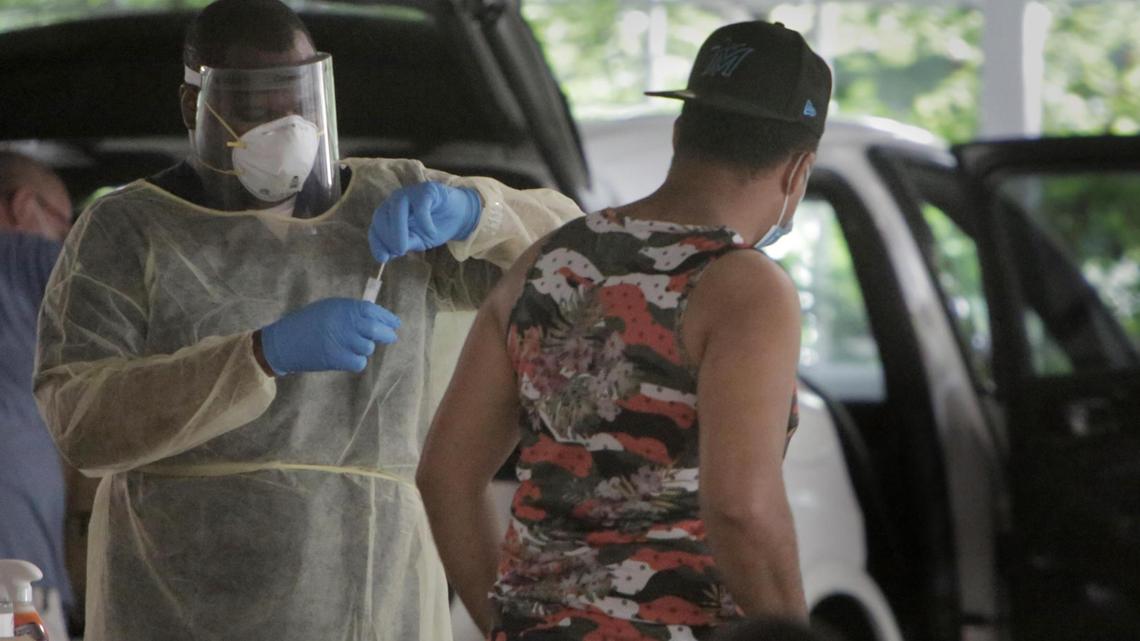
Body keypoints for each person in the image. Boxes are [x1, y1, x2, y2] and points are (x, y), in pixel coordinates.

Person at [32, 1, 582, 640]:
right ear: (195, 106)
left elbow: (580, 258)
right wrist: (259, 356)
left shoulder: (391, 199)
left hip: (377, 591)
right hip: (182, 597)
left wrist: (478, 212)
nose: (285, 126)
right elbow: (82, 420)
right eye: (254, 107)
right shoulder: (130, 230)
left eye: (296, 100)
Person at [417, 20, 831, 641]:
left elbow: (445, 473)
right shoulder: (744, 288)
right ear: (798, 170)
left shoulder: (549, 259)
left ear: (678, 132)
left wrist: (509, 625)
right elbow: (741, 507)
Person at [0, 150, 74, 641]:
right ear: (25, 208)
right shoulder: (24, 258)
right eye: (65, 226)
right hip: (11, 577)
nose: (67, 243)